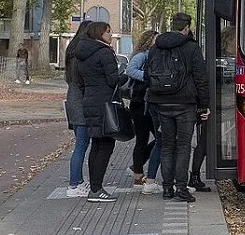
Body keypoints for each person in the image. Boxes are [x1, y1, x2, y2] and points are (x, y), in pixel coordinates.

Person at [147, 12, 209, 203]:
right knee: (183, 146)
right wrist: (204, 105)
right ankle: (181, 188)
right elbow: (201, 78)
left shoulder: (156, 47)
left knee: (167, 145)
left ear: (172, 25)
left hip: (161, 102)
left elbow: (148, 73)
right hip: (185, 103)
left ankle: (167, 188)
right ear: (187, 27)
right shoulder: (191, 47)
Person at [76, 21, 121, 203]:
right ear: (99, 33)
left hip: (89, 100)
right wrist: (122, 76)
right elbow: (113, 80)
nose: (111, 35)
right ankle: (97, 189)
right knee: (106, 145)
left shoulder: (81, 54)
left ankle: (94, 187)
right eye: (108, 32)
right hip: (105, 103)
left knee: (96, 144)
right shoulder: (104, 53)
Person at [126, 30, 161, 194]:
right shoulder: (142, 55)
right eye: (156, 39)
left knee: (159, 138)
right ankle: (138, 173)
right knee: (144, 139)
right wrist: (148, 76)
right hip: (140, 103)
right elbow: (130, 70)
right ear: (149, 41)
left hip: (144, 103)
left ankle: (136, 168)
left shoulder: (151, 55)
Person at [64, 20, 93, 197]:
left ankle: (78, 181)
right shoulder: (80, 56)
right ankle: (74, 184)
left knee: (81, 143)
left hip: (73, 100)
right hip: (80, 103)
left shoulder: (71, 52)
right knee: (81, 144)